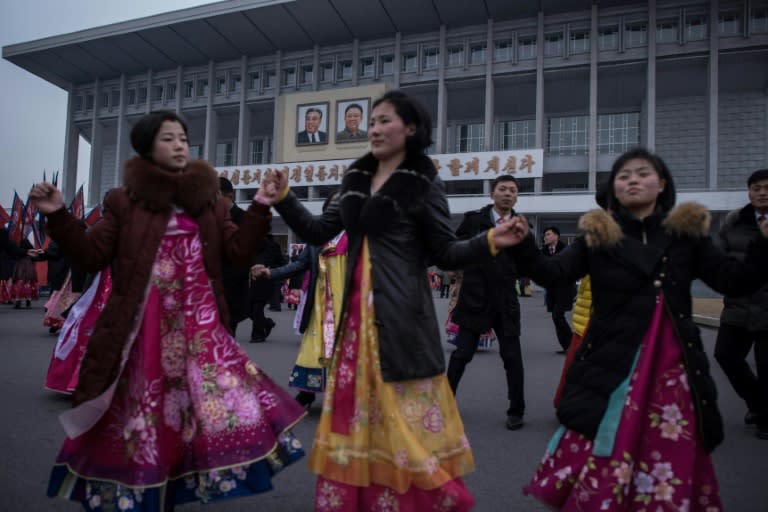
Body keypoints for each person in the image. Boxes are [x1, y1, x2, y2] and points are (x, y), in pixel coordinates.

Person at [259, 90, 523, 511]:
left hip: (400, 323)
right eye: (374, 121)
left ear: (412, 129)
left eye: (386, 120)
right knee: (358, 428)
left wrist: (489, 241)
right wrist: (286, 199)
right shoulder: (354, 181)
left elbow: (445, 252)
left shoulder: (424, 185)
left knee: (403, 431)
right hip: (353, 330)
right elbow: (316, 231)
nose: (376, 128)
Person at [30, 110, 306, 511]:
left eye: (183, 138)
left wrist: (262, 205)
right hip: (140, 334)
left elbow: (239, 252)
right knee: (142, 423)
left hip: (200, 335)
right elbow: (90, 254)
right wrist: (57, 214)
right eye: (168, 138)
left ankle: (170, 494)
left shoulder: (209, 202)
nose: (179, 145)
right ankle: (142, 496)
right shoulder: (123, 202)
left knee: (198, 420)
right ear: (146, 148)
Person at [506, 147, 768, 511]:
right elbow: (554, 274)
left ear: (662, 184)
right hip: (610, 365)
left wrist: (763, 246)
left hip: (673, 371)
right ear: (614, 188)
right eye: (623, 175)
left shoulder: (686, 236)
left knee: (667, 459)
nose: (632, 179)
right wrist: (522, 246)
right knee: (602, 450)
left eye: (642, 173)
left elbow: (734, 281)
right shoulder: (596, 237)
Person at [252, 192, 347, 410]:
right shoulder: (316, 241)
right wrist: (271, 272)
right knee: (314, 348)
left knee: (345, 350)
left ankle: (344, 394)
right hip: (321, 305)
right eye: (333, 207)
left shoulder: (357, 238)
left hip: (348, 306)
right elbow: (298, 265)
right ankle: (307, 393)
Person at [446, 174, 525, 431]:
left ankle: (516, 409)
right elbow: (453, 248)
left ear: (516, 196)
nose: (507, 194)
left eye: (512, 190)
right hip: (474, 299)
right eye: (502, 189)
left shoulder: (521, 227)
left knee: (512, 357)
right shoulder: (474, 220)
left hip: (505, 302)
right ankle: (445, 403)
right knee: (462, 354)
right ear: (492, 194)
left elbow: (530, 262)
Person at [714, 168, 768, 440]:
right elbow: (720, 262)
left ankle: (765, 417)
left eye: (766, 188)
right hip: (738, 306)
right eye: (756, 188)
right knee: (726, 356)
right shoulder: (734, 223)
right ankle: (759, 404)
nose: (761, 192)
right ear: (749, 192)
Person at [218, 176, 250, 336]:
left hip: (232, 291)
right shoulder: (205, 219)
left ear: (229, 197)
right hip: (207, 290)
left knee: (226, 339)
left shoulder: (245, 219)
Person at [541, 226, 576, 354]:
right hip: (551, 291)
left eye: (548, 234)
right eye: (545, 235)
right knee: (556, 318)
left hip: (564, 289)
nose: (546, 237)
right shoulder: (543, 251)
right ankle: (567, 346)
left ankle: (572, 345)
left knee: (557, 315)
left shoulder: (566, 250)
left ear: (556, 236)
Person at [248, 233, 285, 342]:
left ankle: (258, 335)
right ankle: (267, 323)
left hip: (265, 282)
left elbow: (282, 263)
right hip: (250, 283)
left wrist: (269, 269)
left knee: (257, 309)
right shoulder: (248, 245)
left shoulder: (273, 246)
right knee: (247, 310)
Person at [10, 238, 38, 309]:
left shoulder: (19, 254)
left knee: (19, 286)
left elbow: (13, 256)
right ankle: (28, 302)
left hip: (20, 272)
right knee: (28, 286)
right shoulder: (30, 256)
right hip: (29, 272)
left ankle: (18, 302)